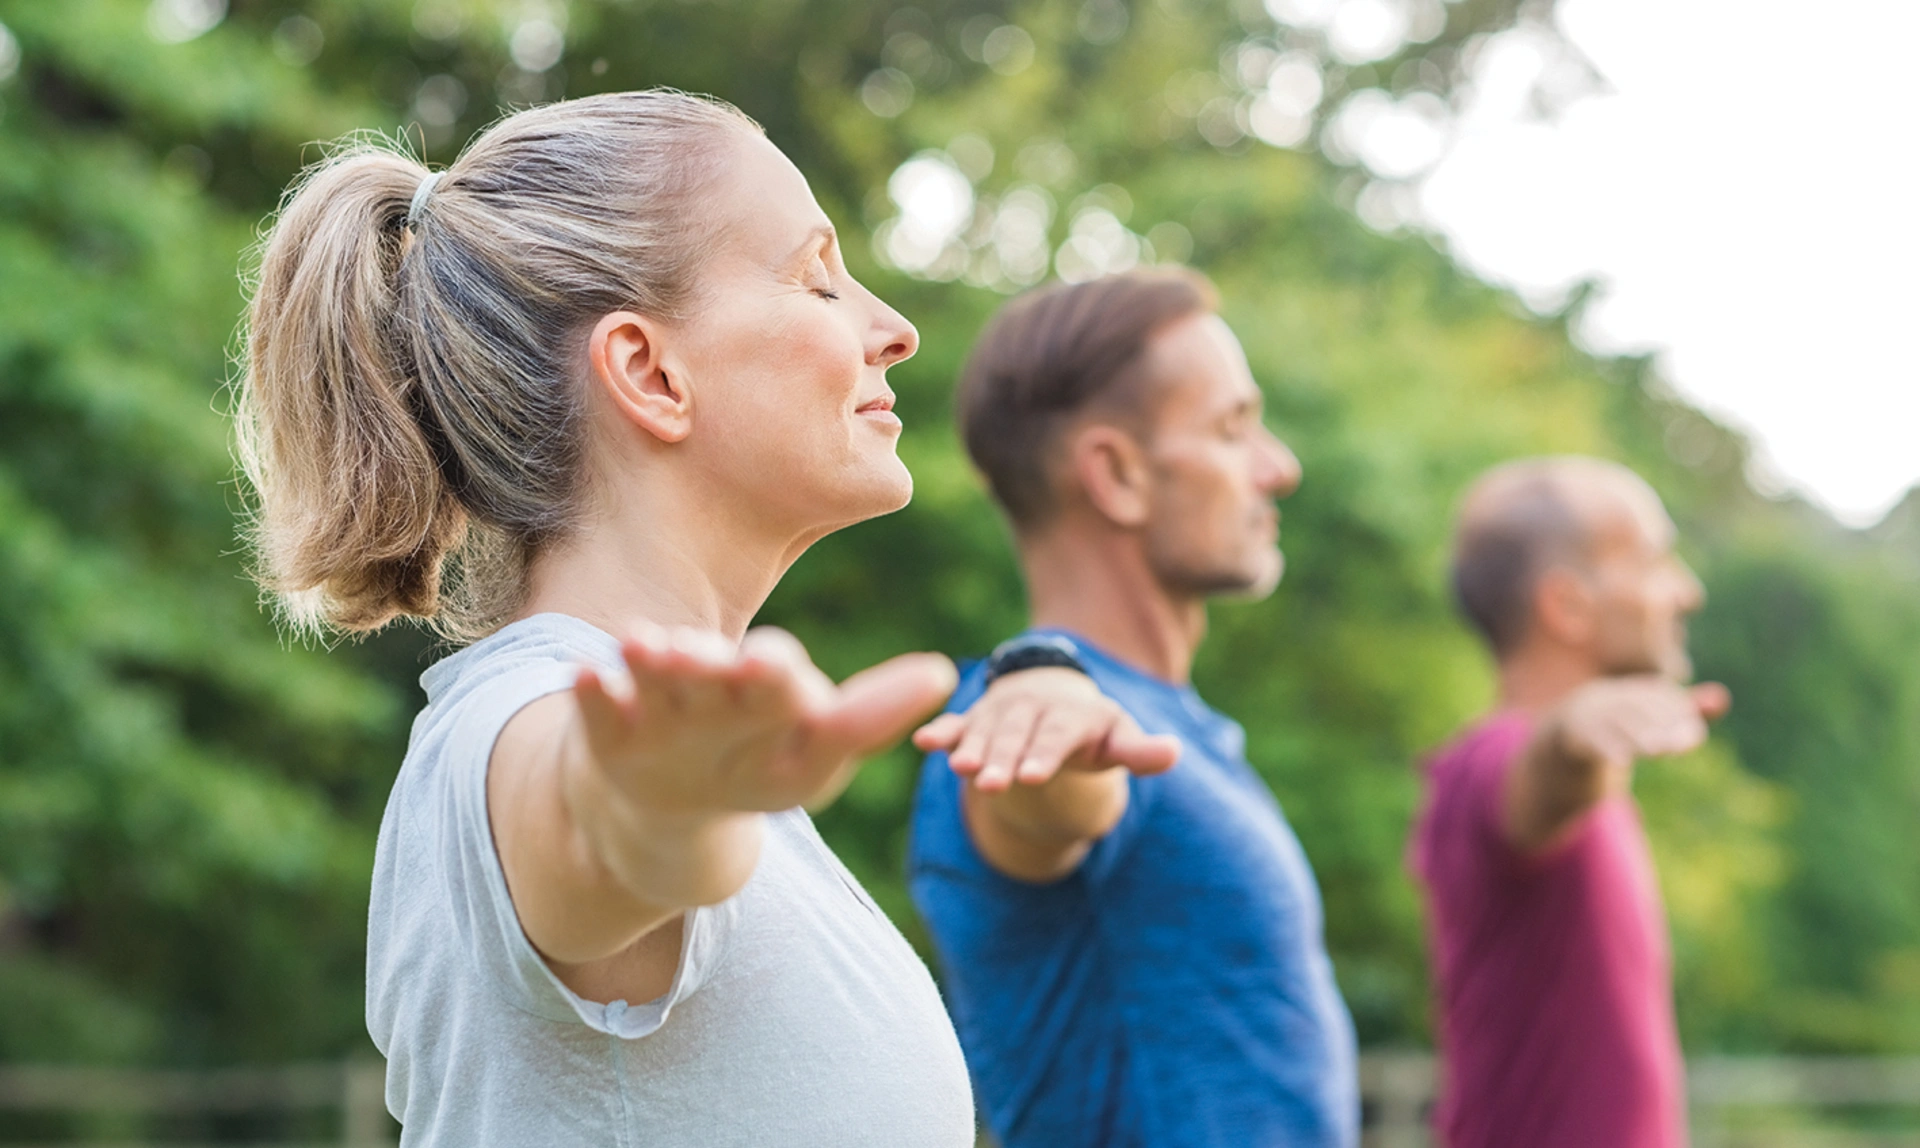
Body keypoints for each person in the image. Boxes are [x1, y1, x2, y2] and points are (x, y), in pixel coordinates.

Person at [234, 90, 1142, 1147]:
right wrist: (654, 802)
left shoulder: (697, 764)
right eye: (817, 276)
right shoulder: (529, 723)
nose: (894, 329)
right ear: (650, 372)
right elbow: (589, 817)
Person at [906, 268, 1360, 1148]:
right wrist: (1048, 699)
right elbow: (1047, 796)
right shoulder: (1026, 723)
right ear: (1116, 474)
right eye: (1235, 429)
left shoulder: (1172, 726)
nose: (1280, 468)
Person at [1409, 457, 1730, 1148]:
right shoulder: (1483, 768)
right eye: (1654, 561)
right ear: (1568, 606)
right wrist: (1572, 732)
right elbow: (1541, 773)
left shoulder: (1601, 796)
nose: (1686, 591)